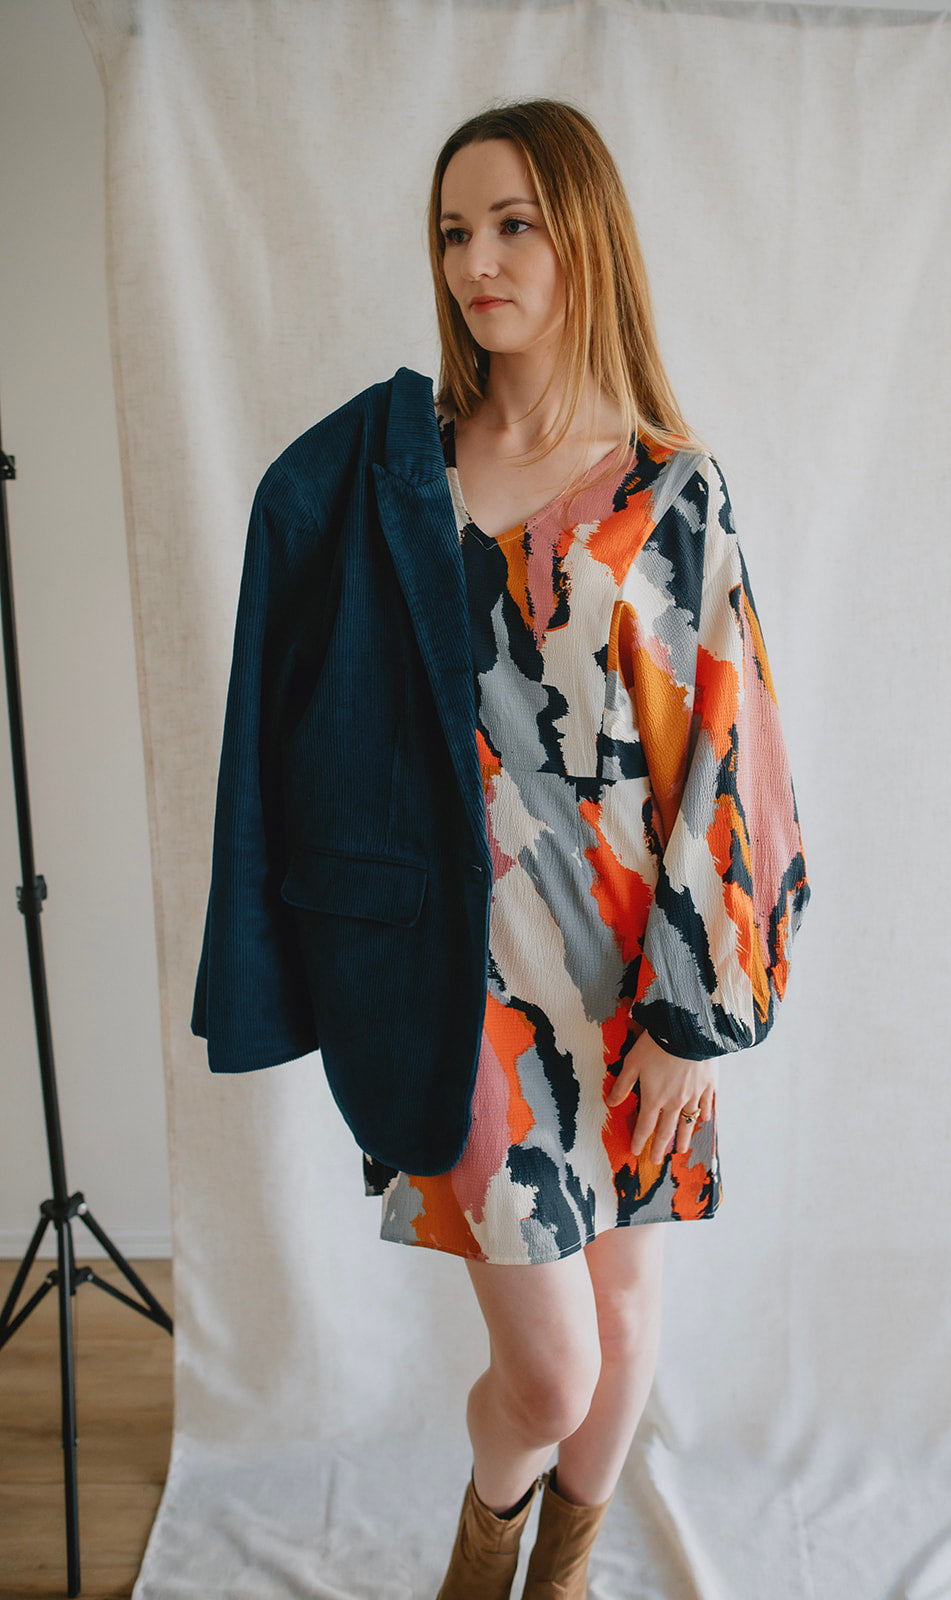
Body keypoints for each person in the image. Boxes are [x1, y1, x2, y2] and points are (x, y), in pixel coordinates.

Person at [193, 97, 809, 1600]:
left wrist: (694, 1019)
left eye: (513, 225)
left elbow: (729, 758)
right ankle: (481, 1565)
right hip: (460, 990)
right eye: (455, 231)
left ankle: (561, 1580)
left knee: (628, 1327)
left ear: (584, 235)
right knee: (549, 1374)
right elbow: (313, 701)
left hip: (638, 993)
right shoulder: (391, 479)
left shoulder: (671, 492)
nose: (477, 261)